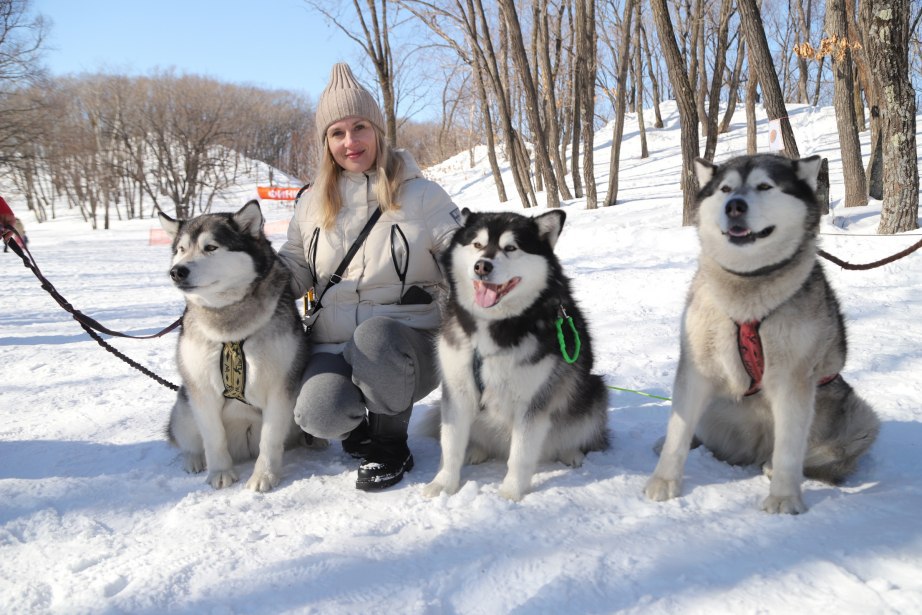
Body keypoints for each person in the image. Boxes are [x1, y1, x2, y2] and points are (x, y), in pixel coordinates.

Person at [278, 63, 462, 491]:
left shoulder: (422, 195)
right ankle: (362, 422)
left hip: (407, 344)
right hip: (334, 340)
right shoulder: (310, 204)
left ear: (378, 130)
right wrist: (246, 281)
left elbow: (461, 250)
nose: (350, 141)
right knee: (317, 414)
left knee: (376, 335)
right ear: (326, 142)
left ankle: (390, 442)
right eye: (337, 133)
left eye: (360, 127)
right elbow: (293, 266)